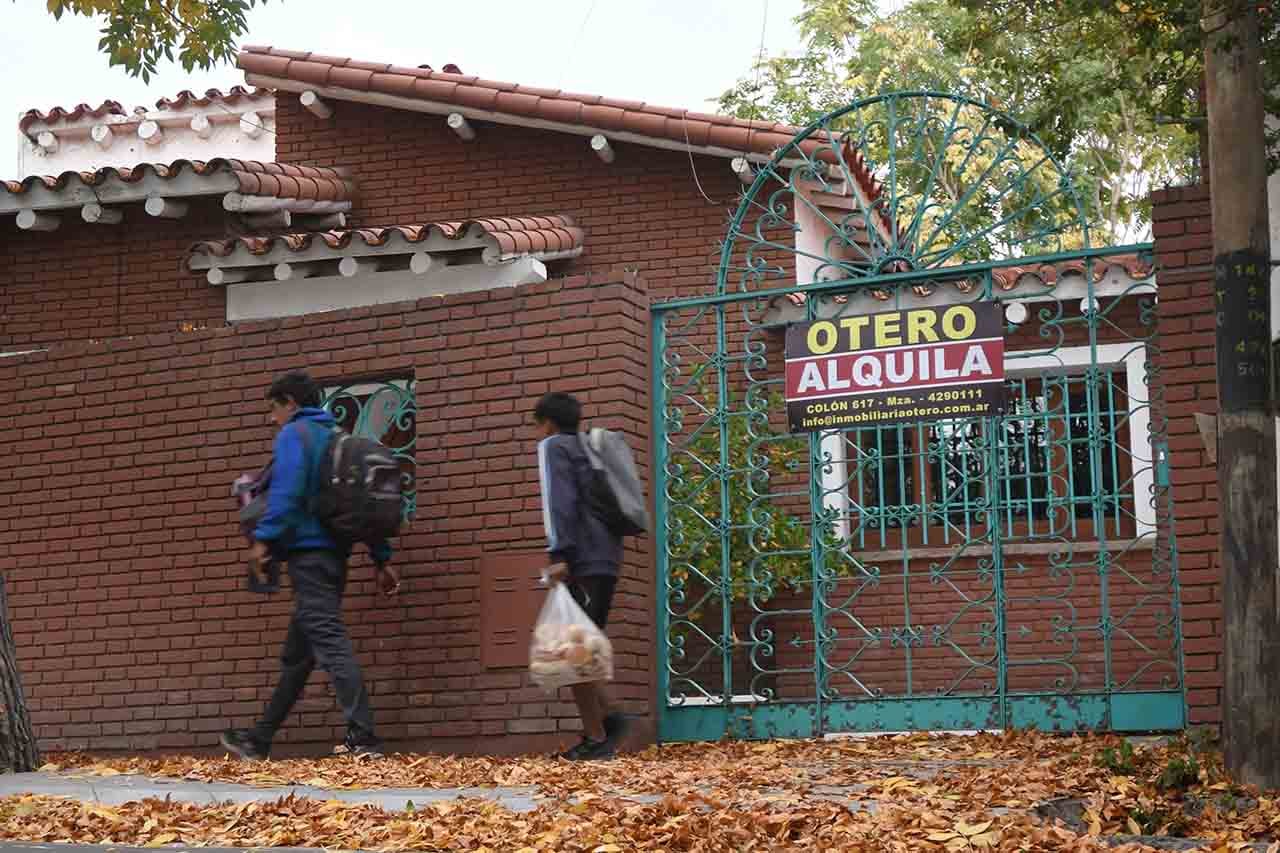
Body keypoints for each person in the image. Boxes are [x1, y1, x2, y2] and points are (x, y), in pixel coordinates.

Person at [221, 370, 399, 761]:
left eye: (274, 408)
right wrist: (381, 559)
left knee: (330, 641)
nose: (272, 418)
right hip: (335, 556)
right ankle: (259, 738)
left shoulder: (295, 436)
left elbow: (287, 489)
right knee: (299, 655)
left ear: (291, 404)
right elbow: (360, 502)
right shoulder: (338, 438)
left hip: (308, 555)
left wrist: (264, 539)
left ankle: (364, 737)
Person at [534, 391, 630, 760]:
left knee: (572, 652)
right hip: (605, 560)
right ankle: (610, 717)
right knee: (582, 646)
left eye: (537, 424)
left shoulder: (554, 447)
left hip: (582, 561)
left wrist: (559, 554)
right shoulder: (589, 449)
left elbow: (559, 501)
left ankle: (597, 737)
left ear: (548, 423)